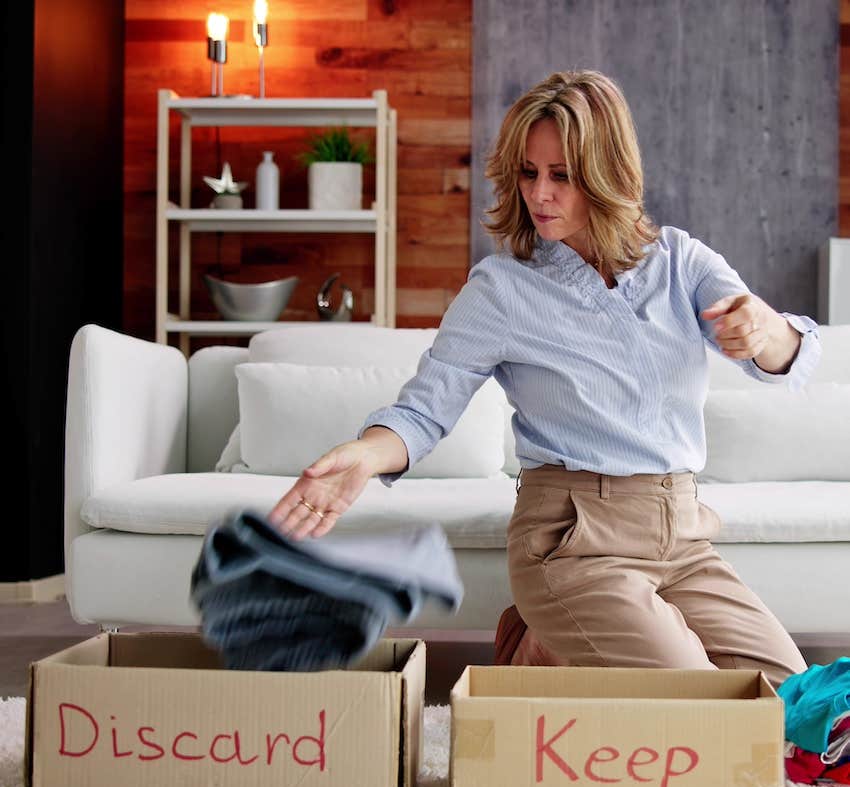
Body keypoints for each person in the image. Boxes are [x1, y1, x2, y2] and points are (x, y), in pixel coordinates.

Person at [269, 70, 821, 688]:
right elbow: (426, 409)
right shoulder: (502, 289)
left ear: (606, 172)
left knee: (792, 698)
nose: (540, 194)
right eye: (529, 174)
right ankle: (559, 629)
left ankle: (551, 644)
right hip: (573, 539)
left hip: (683, 536)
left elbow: (778, 351)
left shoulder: (682, 262)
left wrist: (765, 330)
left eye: (562, 175)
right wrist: (367, 454)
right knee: (700, 698)